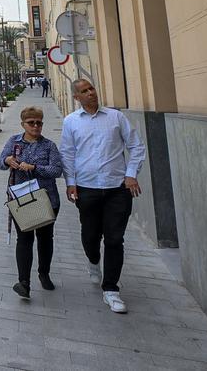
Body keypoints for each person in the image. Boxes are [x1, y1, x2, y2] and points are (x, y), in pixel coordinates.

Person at [60, 79, 146, 314]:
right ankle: (93, 260)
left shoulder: (116, 118)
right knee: (90, 236)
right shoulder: (71, 122)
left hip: (117, 188)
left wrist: (131, 174)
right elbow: (67, 154)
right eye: (84, 91)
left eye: (92, 89)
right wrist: (70, 183)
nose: (91, 93)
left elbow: (136, 146)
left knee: (114, 239)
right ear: (77, 97)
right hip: (86, 188)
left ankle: (111, 289)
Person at [0, 105, 64, 300]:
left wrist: (34, 168)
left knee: (45, 239)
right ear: (23, 124)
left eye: (39, 122)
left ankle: (44, 273)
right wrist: (8, 160)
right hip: (22, 200)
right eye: (31, 122)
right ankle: (24, 283)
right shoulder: (14, 142)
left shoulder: (49, 145)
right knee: (25, 240)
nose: (36, 126)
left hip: (46, 199)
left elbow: (57, 170)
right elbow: (0, 161)